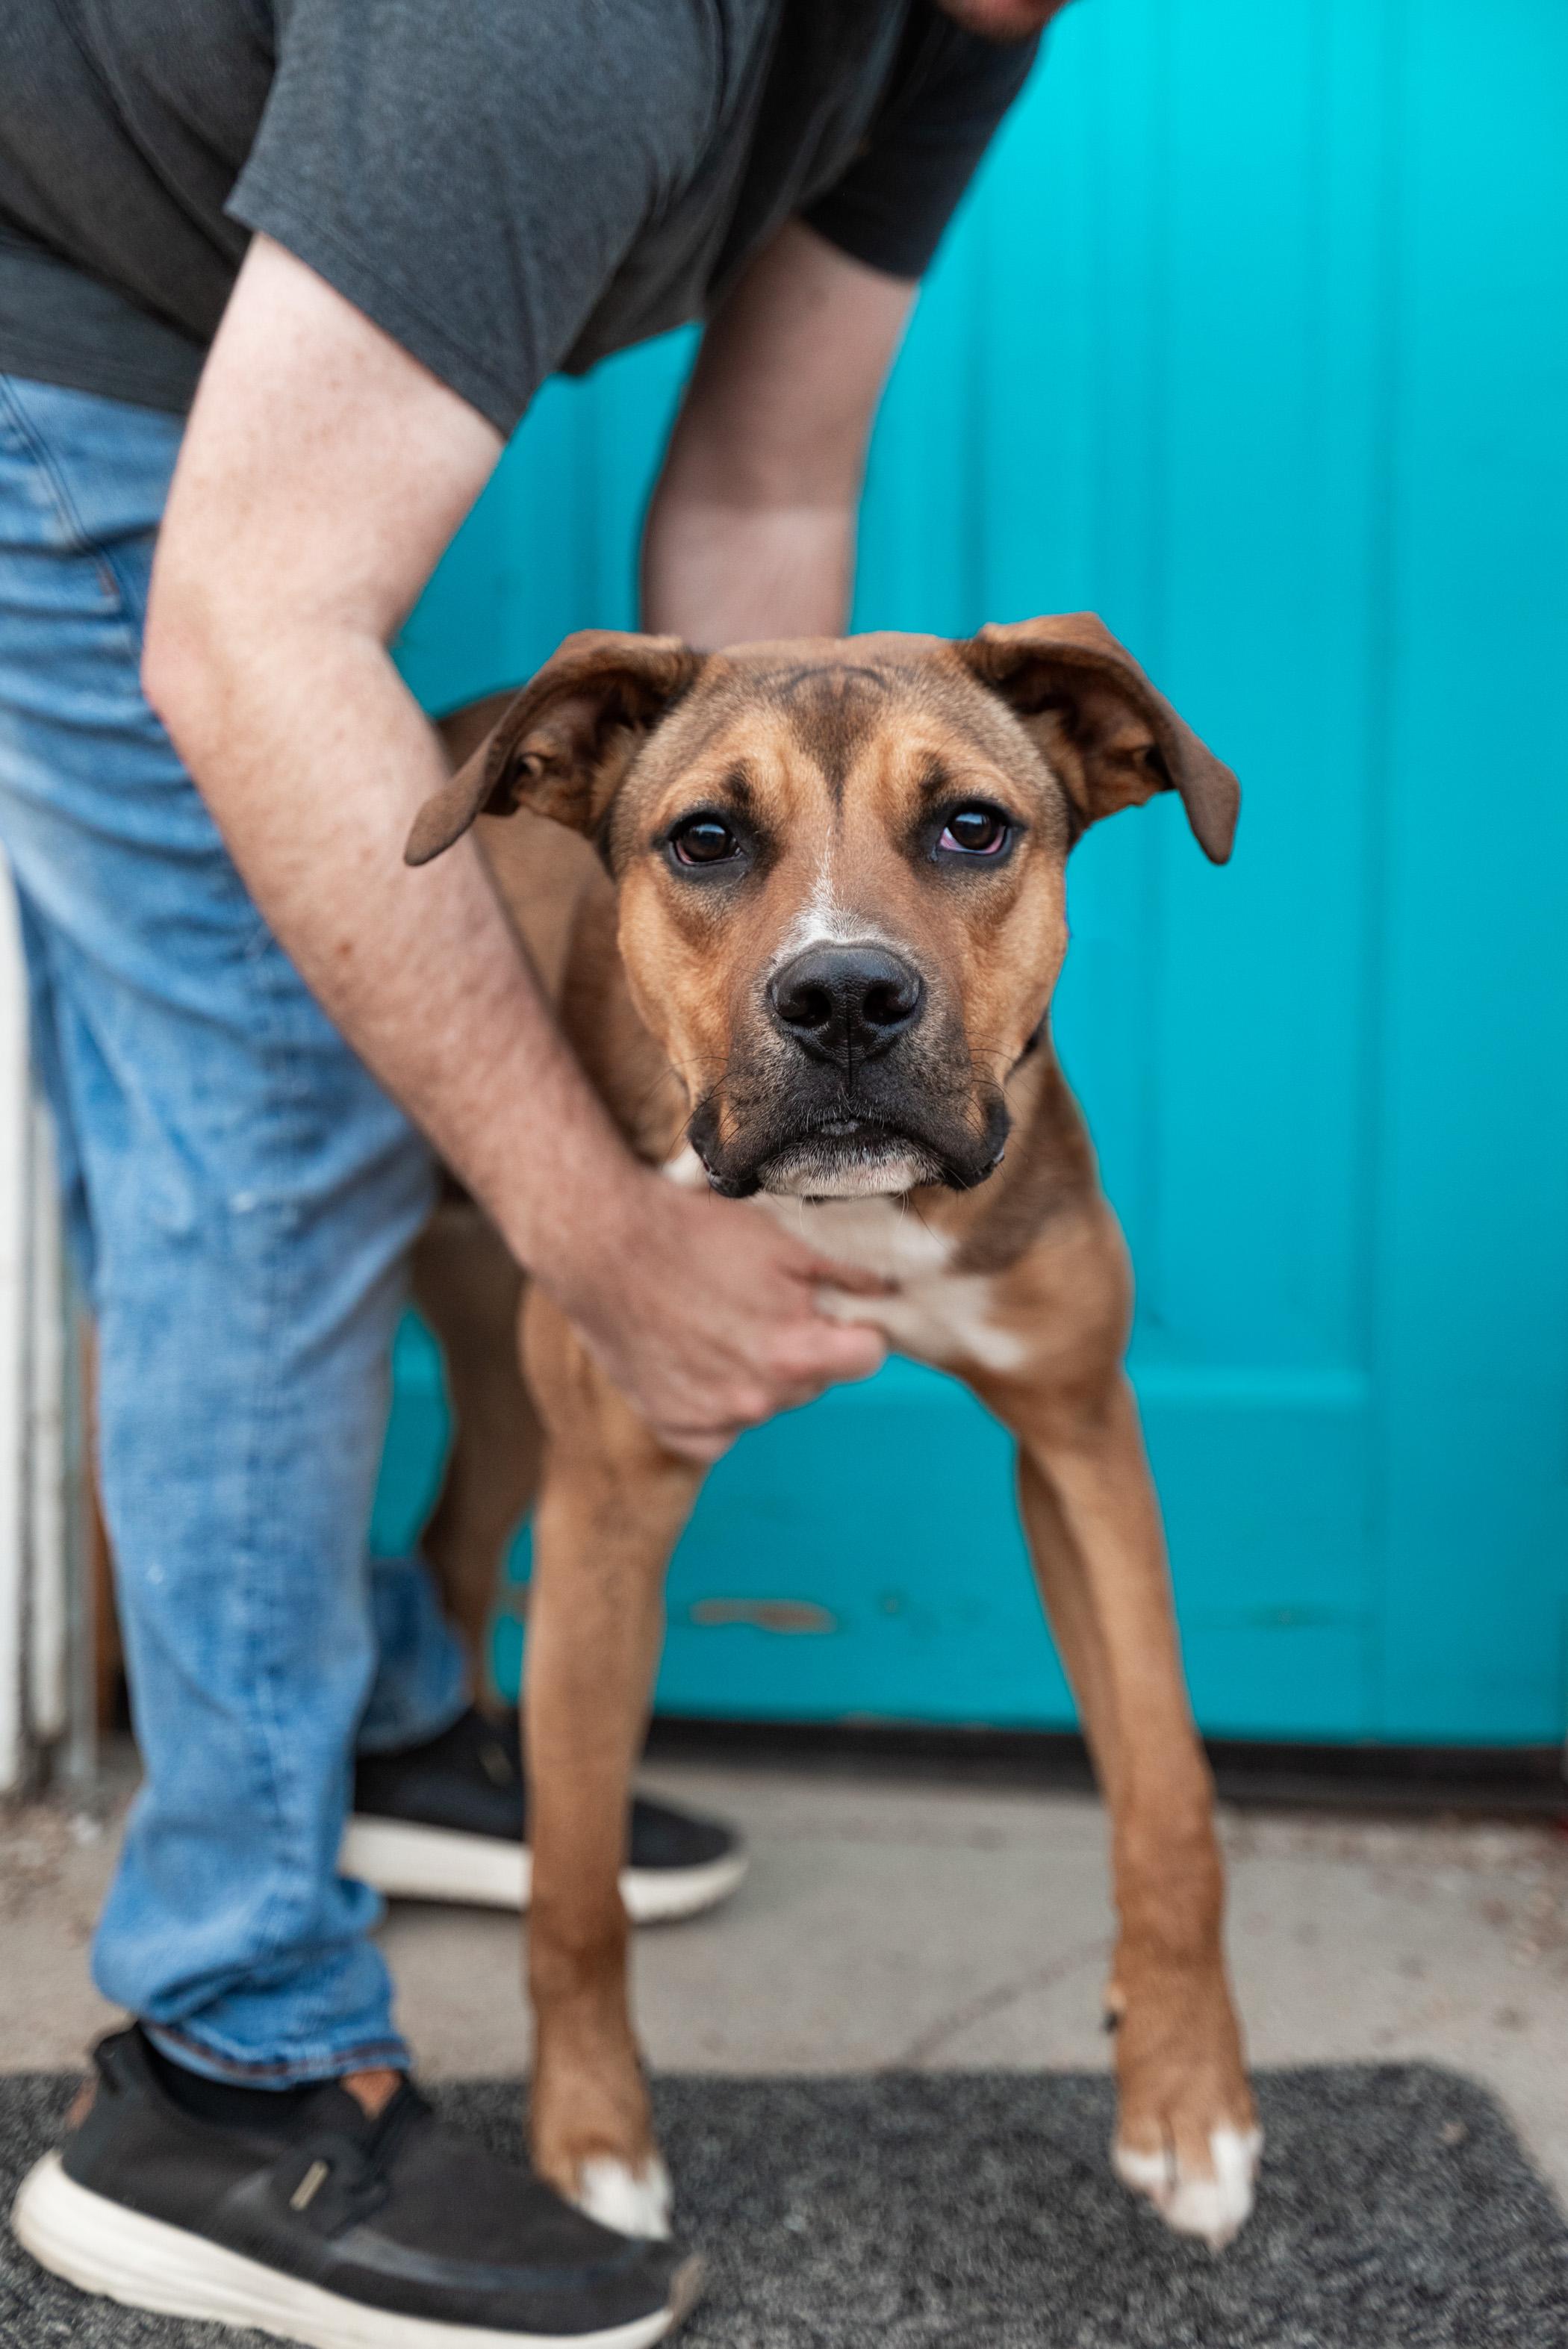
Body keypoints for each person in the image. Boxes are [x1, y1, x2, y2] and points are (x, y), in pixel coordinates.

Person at [1, 1, 1062, 2339]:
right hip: (71, 369)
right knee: (277, 1122)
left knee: (355, 1082)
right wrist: (609, 1234)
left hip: (247, 387)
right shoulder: (574, 20)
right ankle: (223, 2064)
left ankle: (366, 1713)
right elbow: (243, 616)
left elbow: (768, 504)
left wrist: (798, 950)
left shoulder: (973, 21)